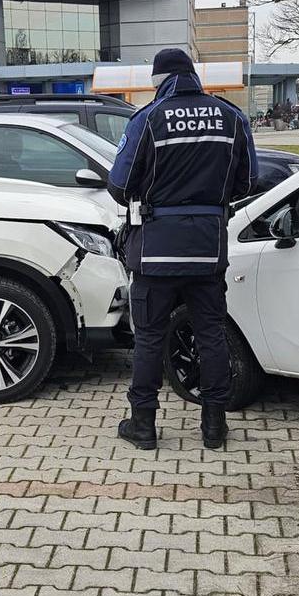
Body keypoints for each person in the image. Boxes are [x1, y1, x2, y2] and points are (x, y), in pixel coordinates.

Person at [108, 48, 258, 451]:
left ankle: (143, 426)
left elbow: (119, 186)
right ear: (193, 74)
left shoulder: (148, 118)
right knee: (210, 334)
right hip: (208, 248)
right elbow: (247, 182)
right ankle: (213, 427)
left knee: (150, 338)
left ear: (159, 79)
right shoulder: (231, 117)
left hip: (155, 249)